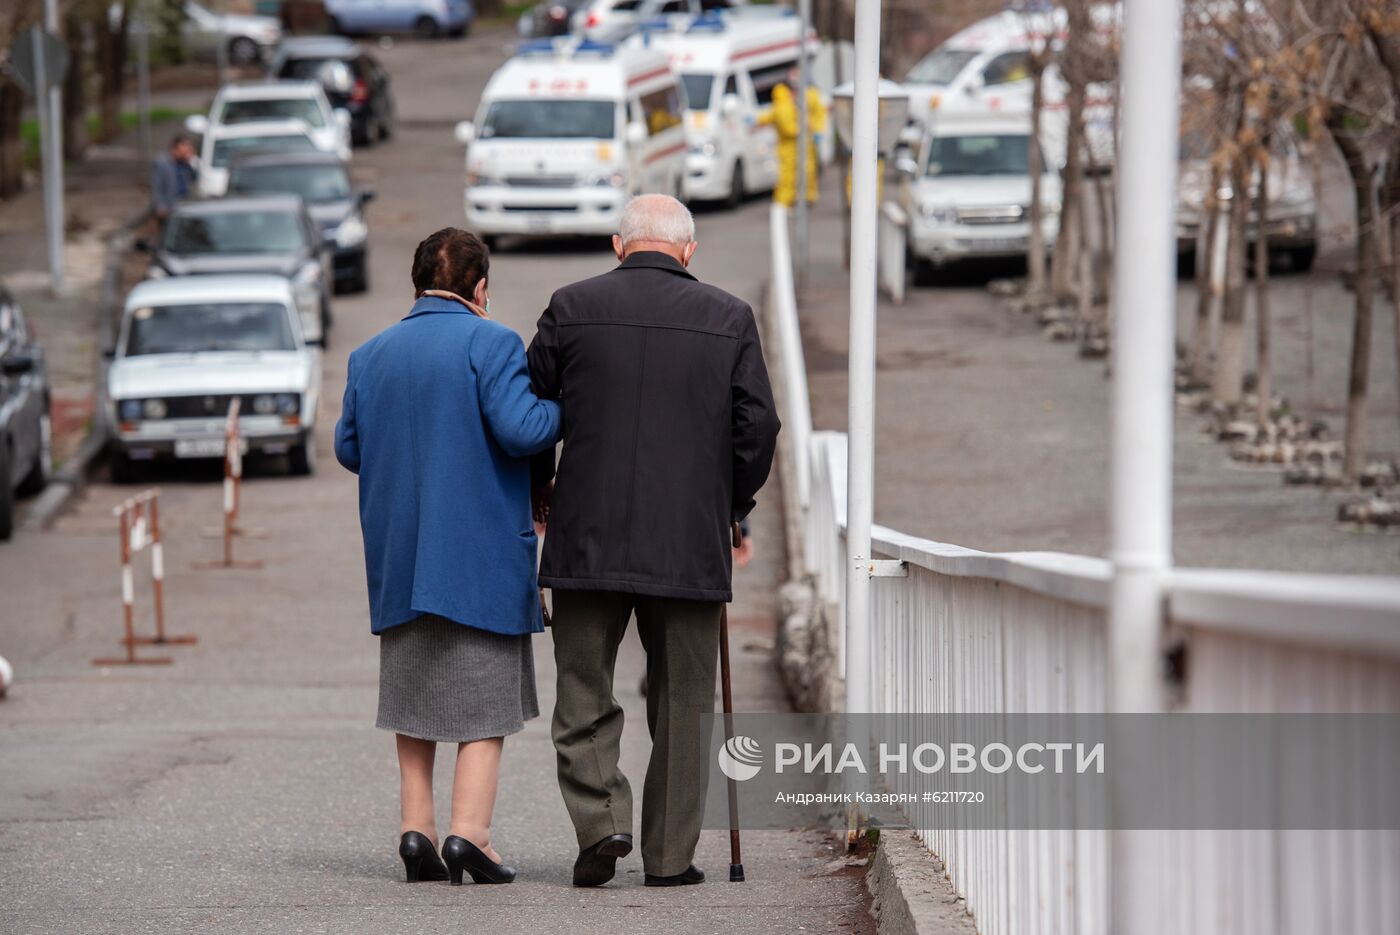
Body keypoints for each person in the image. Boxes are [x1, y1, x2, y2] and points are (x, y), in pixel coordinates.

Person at [528, 194, 781, 888]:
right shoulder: (728, 317)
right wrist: (732, 504)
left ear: (619, 245)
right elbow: (758, 426)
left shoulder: (569, 305)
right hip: (687, 540)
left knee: (582, 685)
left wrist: (539, 485)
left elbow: (530, 411)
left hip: (587, 533)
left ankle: (602, 818)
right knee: (687, 698)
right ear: (688, 251)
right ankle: (670, 857)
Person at [334, 228, 561, 886]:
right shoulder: (490, 342)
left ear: (416, 282)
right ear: (480, 288)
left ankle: (417, 828)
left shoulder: (370, 354)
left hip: (401, 559)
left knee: (413, 701)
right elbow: (523, 429)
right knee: (485, 705)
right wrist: (561, 406)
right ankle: (471, 833)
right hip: (480, 558)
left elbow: (351, 448)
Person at [758, 67, 828, 208]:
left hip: (805, 143)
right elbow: (782, 122)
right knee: (787, 176)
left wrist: (818, 130)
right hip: (788, 145)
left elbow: (819, 113)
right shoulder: (783, 101)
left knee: (808, 171)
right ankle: (783, 204)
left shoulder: (810, 95)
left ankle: (807, 198)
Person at [150, 134, 196, 225]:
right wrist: (160, 206)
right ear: (174, 149)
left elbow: (195, 178)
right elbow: (157, 187)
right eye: (184, 148)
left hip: (184, 205)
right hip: (168, 207)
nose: (186, 151)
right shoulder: (162, 163)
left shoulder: (185, 164)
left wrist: (190, 163)